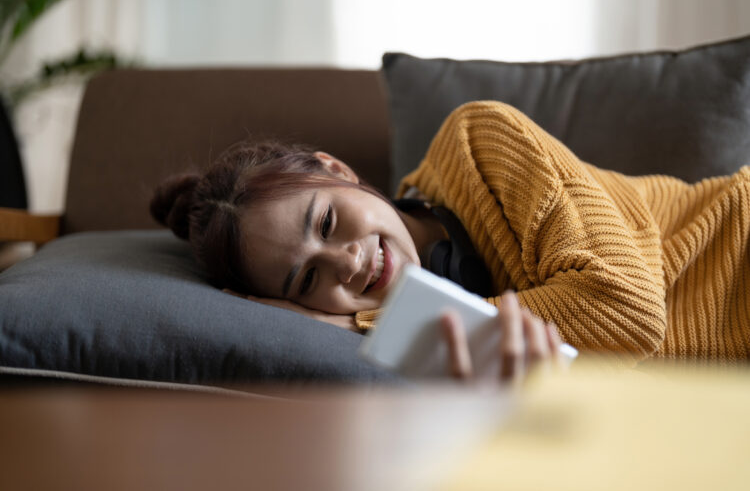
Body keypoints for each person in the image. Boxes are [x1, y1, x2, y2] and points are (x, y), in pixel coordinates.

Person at [151, 100, 750, 379]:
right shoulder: (414, 365)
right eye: (308, 280)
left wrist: (370, 325)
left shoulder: (481, 143)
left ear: (335, 170)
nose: (348, 263)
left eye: (327, 223)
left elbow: (627, 312)